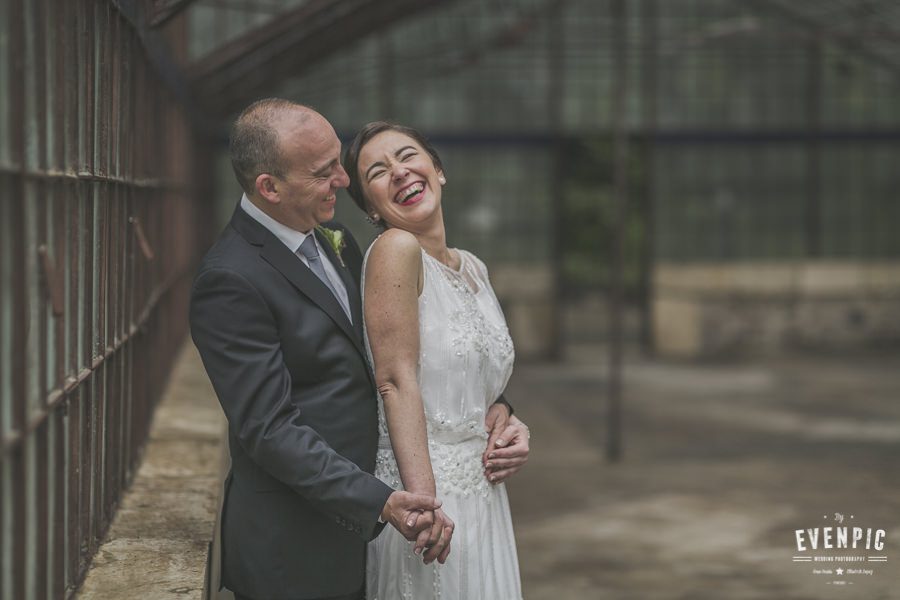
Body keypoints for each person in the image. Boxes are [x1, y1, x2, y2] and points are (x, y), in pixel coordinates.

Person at [189, 100, 528, 600]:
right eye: (325, 172)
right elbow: (270, 429)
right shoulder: (229, 279)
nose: (342, 181)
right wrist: (383, 501)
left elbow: (413, 353)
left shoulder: (337, 240)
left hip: (393, 514)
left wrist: (498, 412)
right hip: (302, 543)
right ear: (269, 188)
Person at [343, 122, 530, 600]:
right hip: (428, 498)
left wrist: (508, 422)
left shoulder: (473, 267)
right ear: (369, 207)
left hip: (483, 495)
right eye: (378, 172)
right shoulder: (395, 249)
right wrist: (425, 505)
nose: (400, 172)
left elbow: (477, 380)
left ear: (438, 170)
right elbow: (394, 379)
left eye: (408, 156)